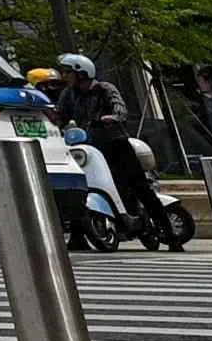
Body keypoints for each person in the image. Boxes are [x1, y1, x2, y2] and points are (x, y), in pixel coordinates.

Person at [46, 55, 179, 247]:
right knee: (80, 185)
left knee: (138, 186)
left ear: (82, 73)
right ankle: (78, 236)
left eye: (68, 73)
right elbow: (61, 117)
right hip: (88, 147)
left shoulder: (105, 89)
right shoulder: (69, 94)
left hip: (114, 143)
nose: (66, 77)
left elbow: (120, 108)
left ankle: (170, 234)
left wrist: (113, 117)